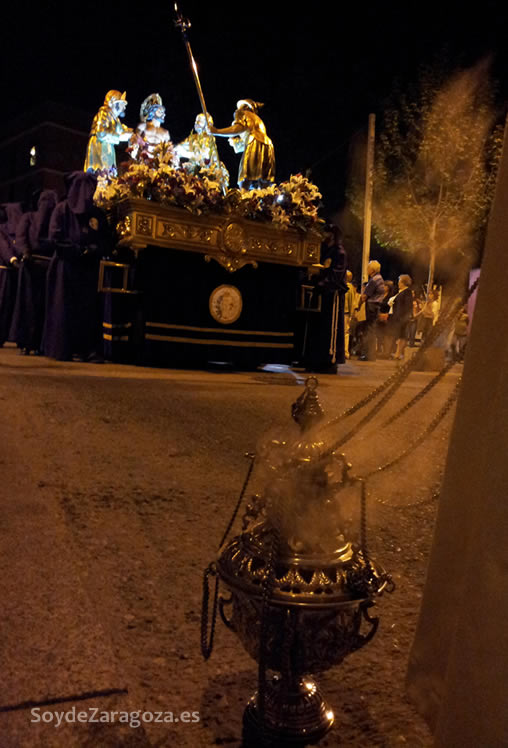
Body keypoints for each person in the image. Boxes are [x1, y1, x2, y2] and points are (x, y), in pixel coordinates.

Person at [43, 172, 111, 361]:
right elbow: (55, 237)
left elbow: (105, 239)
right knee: (64, 307)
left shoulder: (97, 214)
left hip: (88, 269)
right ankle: (64, 347)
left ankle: (87, 349)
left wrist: (94, 249)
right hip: (66, 267)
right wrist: (76, 250)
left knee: (88, 309)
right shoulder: (62, 209)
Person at [10, 190, 58, 354]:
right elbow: (21, 237)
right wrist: (25, 253)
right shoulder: (29, 218)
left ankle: (41, 343)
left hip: (48, 267)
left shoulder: (53, 220)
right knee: (28, 305)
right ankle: (26, 341)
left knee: (44, 306)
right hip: (31, 268)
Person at [302, 224, 348, 373]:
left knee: (331, 328)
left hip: (332, 293)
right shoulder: (326, 250)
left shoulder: (339, 252)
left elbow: (336, 274)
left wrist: (322, 282)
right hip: (321, 292)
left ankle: (330, 359)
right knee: (319, 328)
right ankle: (316, 358)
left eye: (327, 233)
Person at [208, 99, 275, 189]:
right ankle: (264, 198)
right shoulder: (258, 120)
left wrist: (216, 131)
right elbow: (250, 142)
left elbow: (239, 128)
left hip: (254, 141)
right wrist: (235, 143)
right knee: (264, 180)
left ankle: (243, 198)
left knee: (245, 176)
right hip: (268, 145)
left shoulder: (242, 113)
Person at [175, 113, 229, 189]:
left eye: (199, 121)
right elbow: (180, 147)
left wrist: (189, 154)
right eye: (196, 120)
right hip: (192, 170)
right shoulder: (192, 137)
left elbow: (205, 156)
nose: (196, 123)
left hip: (204, 171)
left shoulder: (209, 138)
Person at [84, 90, 133, 172]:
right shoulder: (104, 113)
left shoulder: (115, 119)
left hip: (108, 148)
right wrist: (120, 137)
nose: (124, 108)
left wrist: (132, 134)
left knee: (109, 174)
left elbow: (122, 130)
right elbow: (101, 132)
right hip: (100, 146)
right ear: (114, 102)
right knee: (101, 172)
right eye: (122, 104)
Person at [128, 93, 172, 162]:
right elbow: (134, 139)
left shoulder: (166, 133)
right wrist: (134, 150)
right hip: (143, 157)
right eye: (160, 111)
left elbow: (169, 150)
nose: (163, 114)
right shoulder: (143, 126)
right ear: (153, 112)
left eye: (163, 112)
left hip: (158, 161)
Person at [359, 260, 385, 361]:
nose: (367, 270)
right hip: (376, 306)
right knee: (372, 330)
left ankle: (368, 354)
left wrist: (358, 305)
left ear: (372, 269)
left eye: (368, 268)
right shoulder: (380, 279)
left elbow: (365, 296)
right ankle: (371, 354)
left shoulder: (374, 280)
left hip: (371, 306)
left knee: (368, 330)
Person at [387, 274, 414, 360]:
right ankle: (397, 353)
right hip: (398, 317)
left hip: (401, 318)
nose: (398, 283)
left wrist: (403, 317)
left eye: (399, 282)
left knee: (401, 336)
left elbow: (407, 306)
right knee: (399, 335)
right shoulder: (401, 292)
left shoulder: (407, 292)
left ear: (403, 283)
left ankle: (398, 353)